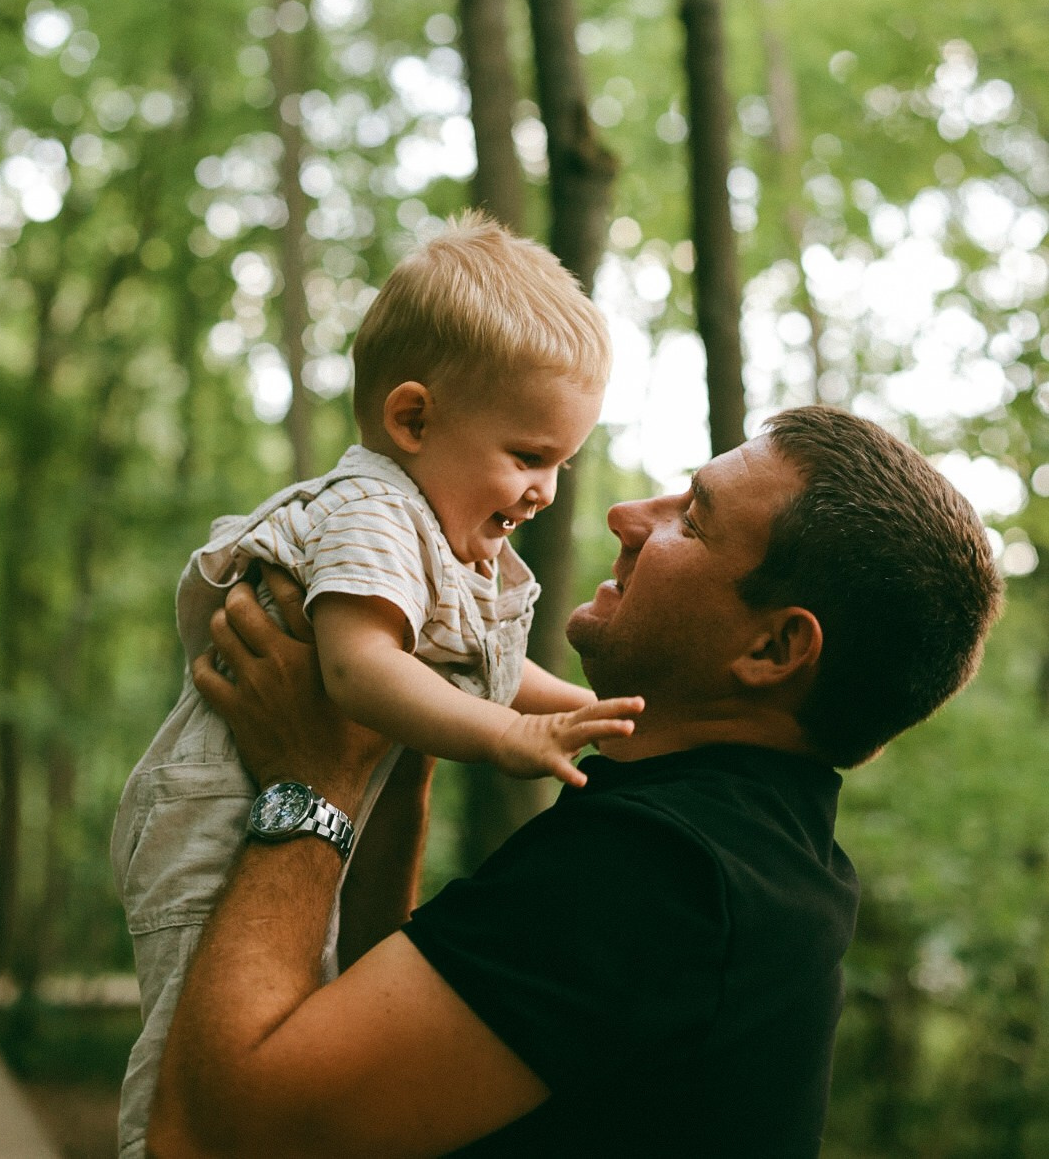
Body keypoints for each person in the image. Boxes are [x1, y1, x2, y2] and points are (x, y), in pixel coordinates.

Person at [146, 405, 1002, 1158]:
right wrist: (394, 755)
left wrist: (314, 783)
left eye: (691, 521)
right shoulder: (752, 851)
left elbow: (213, 1138)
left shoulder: (666, 874)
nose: (628, 516)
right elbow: (373, 1053)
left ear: (772, 649)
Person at [112, 214, 641, 1159]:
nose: (548, 491)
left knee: (301, 1019)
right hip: (214, 809)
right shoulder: (376, 511)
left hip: (288, 805)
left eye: (561, 463)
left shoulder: (434, 532)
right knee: (196, 1028)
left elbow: (489, 669)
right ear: (413, 421)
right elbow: (359, 670)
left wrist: (583, 714)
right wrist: (504, 738)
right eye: (529, 457)